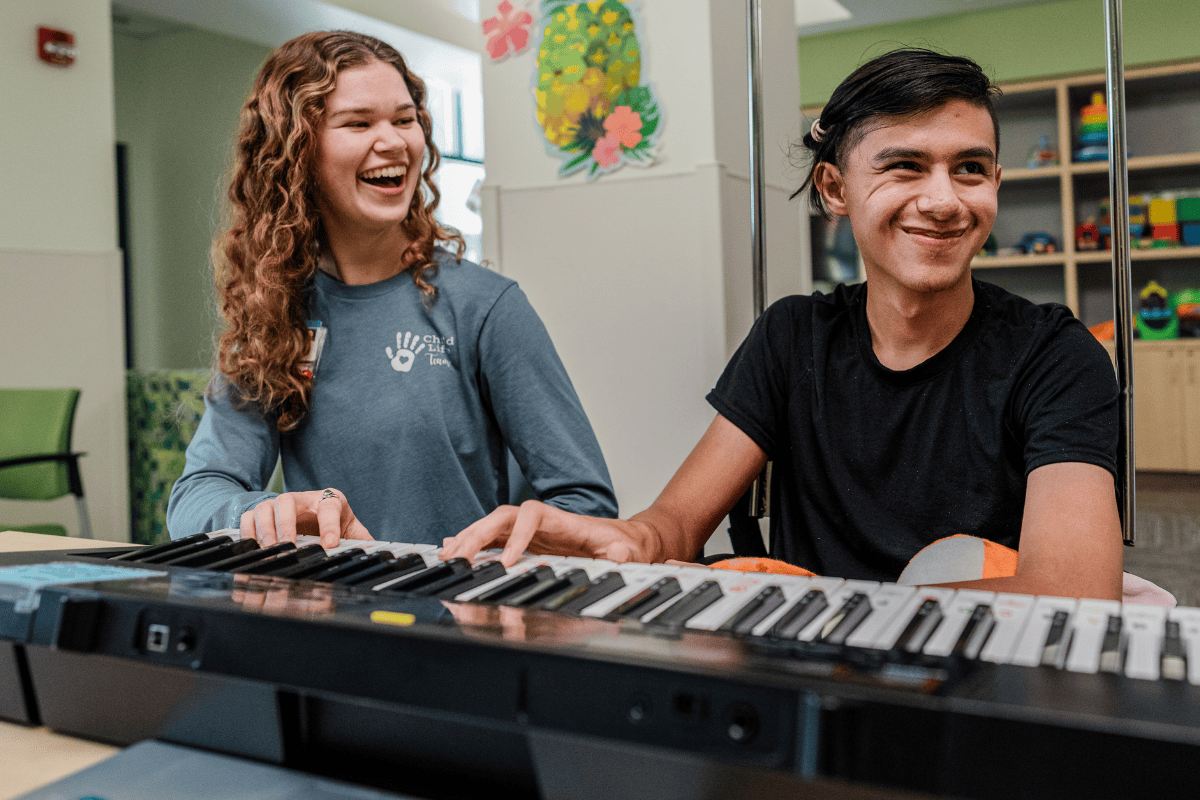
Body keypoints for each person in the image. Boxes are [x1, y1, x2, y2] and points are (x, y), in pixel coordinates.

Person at [442, 48, 1124, 601]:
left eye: (969, 169)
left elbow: (1074, 594)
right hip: (808, 695)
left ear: (995, 184)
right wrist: (626, 542)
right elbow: (674, 525)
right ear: (834, 189)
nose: (943, 200)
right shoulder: (792, 338)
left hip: (978, 693)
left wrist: (828, 604)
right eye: (905, 166)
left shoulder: (1056, 356)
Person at [167, 31, 617, 548]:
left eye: (405, 120)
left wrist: (499, 555)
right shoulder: (277, 312)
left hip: (460, 616)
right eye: (358, 123)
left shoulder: (485, 307)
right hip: (329, 612)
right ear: (296, 153)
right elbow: (195, 499)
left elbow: (589, 510)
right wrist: (262, 511)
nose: (395, 141)